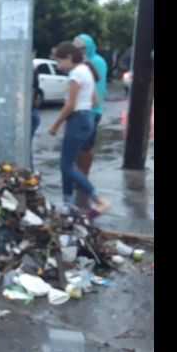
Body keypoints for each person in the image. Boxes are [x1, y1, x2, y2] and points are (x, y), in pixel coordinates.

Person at [48, 42, 110, 216]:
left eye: (59, 62)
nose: (59, 67)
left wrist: (55, 125)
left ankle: (99, 200)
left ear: (69, 58)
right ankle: (67, 203)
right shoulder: (86, 70)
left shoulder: (76, 73)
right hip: (86, 118)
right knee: (66, 164)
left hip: (78, 119)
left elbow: (70, 105)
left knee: (66, 165)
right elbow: (95, 101)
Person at [73, 34, 107, 180]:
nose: (80, 51)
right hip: (79, 109)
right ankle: (79, 173)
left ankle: (84, 174)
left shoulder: (96, 62)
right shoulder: (80, 62)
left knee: (86, 146)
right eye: (77, 48)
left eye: (83, 48)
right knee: (78, 145)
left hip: (91, 110)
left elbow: (97, 87)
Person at [30, 54, 40, 170]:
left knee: (25, 149)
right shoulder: (32, 70)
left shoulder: (30, 71)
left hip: (30, 115)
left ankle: (28, 174)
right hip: (33, 114)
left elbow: (32, 92)